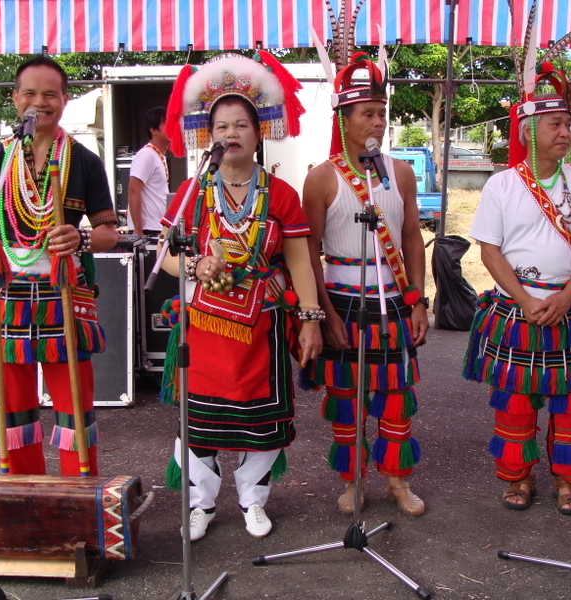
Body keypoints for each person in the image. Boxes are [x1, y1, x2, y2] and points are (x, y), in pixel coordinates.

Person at [160, 52, 322, 541]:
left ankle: (253, 499)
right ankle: (201, 504)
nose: (230, 134)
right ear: (207, 134)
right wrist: (194, 264)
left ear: (259, 132)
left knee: (263, 422)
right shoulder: (191, 192)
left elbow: (297, 261)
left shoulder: (282, 195)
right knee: (201, 424)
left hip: (263, 326)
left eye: (241, 125)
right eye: (221, 125)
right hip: (205, 328)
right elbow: (167, 257)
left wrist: (310, 318)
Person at [462, 63, 571, 516]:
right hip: (517, 310)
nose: (566, 132)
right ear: (529, 130)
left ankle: (569, 482)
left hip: (570, 308)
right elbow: (489, 252)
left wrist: (567, 296)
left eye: (568, 123)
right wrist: (527, 300)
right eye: (555, 124)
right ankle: (519, 478)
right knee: (516, 405)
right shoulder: (502, 186)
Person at [0, 55, 118, 476]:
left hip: (65, 292)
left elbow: (109, 231)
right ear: (14, 98)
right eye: (29, 92)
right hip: (6, 294)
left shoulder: (83, 161)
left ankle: (78, 498)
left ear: (65, 99)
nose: (39, 101)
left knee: (72, 407)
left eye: (50, 93)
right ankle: (25, 496)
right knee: (13, 409)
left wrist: (79, 237)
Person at [301, 53, 429, 517]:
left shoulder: (401, 173)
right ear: (344, 118)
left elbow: (412, 237)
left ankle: (397, 481)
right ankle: (353, 482)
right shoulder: (320, 179)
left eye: (382, 113)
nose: (377, 122)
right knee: (346, 400)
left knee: (396, 397)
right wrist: (326, 313)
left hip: (393, 302)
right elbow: (307, 253)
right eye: (367, 113)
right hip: (343, 302)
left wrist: (418, 300)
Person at [127, 107, 170, 236]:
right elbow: (133, 190)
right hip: (147, 229)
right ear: (154, 130)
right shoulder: (147, 155)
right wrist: (138, 229)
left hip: (157, 227)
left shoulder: (157, 155)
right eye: (167, 123)